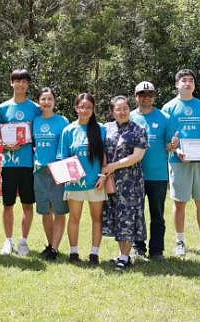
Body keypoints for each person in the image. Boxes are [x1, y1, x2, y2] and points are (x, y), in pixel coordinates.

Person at [162, 69, 200, 258]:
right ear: (177, 85)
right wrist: (176, 150)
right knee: (180, 204)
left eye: (191, 80)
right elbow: (166, 140)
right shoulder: (168, 108)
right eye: (183, 80)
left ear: (194, 85)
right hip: (178, 161)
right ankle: (180, 241)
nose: (187, 83)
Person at [0, 69, 41, 256]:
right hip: (9, 164)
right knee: (8, 204)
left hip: (28, 164)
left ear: (28, 85)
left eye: (24, 81)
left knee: (28, 204)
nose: (21, 84)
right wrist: (6, 143)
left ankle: (23, 241)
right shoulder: (2, 108)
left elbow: (37, 136)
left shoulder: (35, 109)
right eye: (17, 81)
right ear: (11, 83)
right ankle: (8, 240)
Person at [58, 93, 108, 265]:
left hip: (96, 182)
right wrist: (69, 176)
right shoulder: (68, 130)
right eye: (82, 107)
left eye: (89, 107)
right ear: (76, 108)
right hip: (75, 184)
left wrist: (103, 175)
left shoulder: (101, 129)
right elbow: (63, 157)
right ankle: (73, 252)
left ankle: (94, 253)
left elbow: (105, 156)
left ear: (93, 109)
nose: (85, 110)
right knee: (74, 217)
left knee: (97, 218)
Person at [102, 96, 147, 271]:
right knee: (117, 217)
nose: (122, 112)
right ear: (112, 111)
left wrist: (112, 166)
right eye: (118, 109)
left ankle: (124, 256)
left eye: (125, 108)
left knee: (128, 217)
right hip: (111, 182)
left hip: (131, 182)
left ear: (130, 109)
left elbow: (137, 156)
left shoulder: (139, 129)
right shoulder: (106, 128)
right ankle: (122, 254)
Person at [129, 81, 169, 260]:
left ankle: (157, 250)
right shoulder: (128, 117)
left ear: (154, 97)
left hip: (158, 174)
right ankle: (138, 247)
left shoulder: (164, 117)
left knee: (157, 214)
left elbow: (169, 144)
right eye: (142, 94)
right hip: (134, 174)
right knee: (136, 212)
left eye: (149, 94)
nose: (146, 97)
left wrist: (173, 145)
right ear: (136, 96)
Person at [32, 88, 69, 261]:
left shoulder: (62, 121)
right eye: (43, 99)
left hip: (58, 171)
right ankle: (50, 245)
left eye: (49, 99)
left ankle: (54, 248)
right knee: (45, 211)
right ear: (39, 102)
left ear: (54, 102)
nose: (46, 102)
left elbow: (66, 146)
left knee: (59, 210)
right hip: (39, 172)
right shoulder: (35, 121)